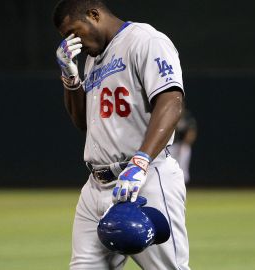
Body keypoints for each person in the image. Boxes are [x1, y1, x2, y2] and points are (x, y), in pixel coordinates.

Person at [53, 0, 190, 269]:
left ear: (94, 14)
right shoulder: (92, 60)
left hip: (144, 179)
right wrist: (70, 78)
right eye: (66, 37)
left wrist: (141, 162)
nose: (73, 41)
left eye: (74, 31)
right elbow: (83, 123)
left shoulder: (145, 40)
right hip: (96, 185)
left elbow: (171, 101)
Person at [170, 109, 197, 183]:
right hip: (170, 146)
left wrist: (184, 144)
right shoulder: (169, 114)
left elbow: (191, 133)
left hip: (182, 145)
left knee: (182, 167)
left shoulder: (187, 117)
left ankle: (183, 184)